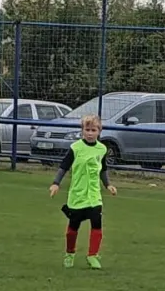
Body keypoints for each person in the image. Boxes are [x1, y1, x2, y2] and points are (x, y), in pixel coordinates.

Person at [49, 114, 116, 269]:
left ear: (99, 131)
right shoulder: (75, 148)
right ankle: (69, 253)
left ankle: (92, 255)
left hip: (94, 195)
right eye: (87, 130)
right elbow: (64, 167)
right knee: (73, 228)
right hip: (78, 195)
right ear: (82, 130)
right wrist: (56, 184)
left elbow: (103, 169)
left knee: (97, 224)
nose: (90, 133)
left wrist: (108, 185)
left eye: (93, 130)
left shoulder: (102, 149)